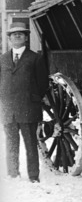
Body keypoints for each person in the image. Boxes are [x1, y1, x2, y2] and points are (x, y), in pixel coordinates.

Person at [1, 20, 49, 182]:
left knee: (30, 144)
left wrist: (32, 99)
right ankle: (13, 173)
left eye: (20, 34)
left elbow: (42, 84)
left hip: (28, 108)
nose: (17, 36)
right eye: (13, 34)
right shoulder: (3, 59)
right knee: (11, 143)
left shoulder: (35, 58)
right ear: (9, 38)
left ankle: (33, 176)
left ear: (26, 38)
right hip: (8, 110)